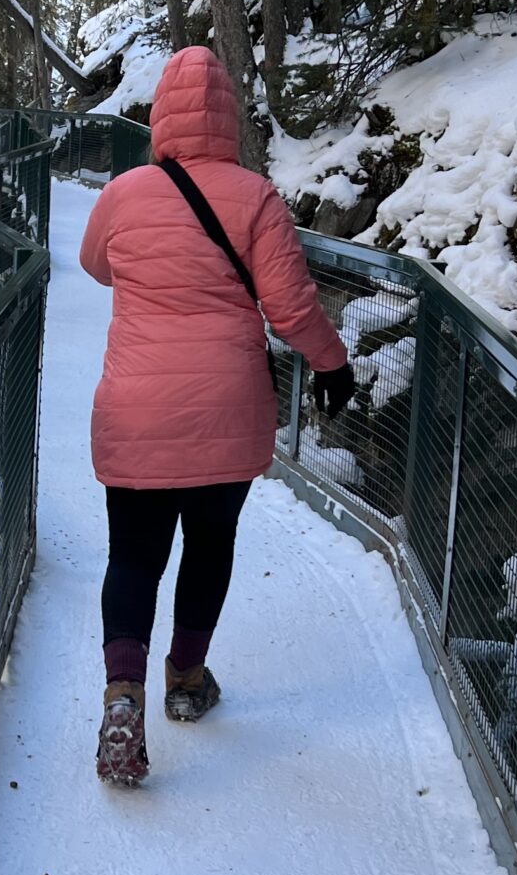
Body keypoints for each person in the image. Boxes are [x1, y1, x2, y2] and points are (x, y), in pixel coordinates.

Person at [78, 46, 355, 785]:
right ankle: (187, 680)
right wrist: (332, 364)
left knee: (133, 556)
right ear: (229, 115)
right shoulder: (256, 196)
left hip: (135, 408)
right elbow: (291, 308)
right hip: (226, 408)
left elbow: (93, 264)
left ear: (159, 114)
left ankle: (121, 694)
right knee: (209, 542)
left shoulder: (126, 191)